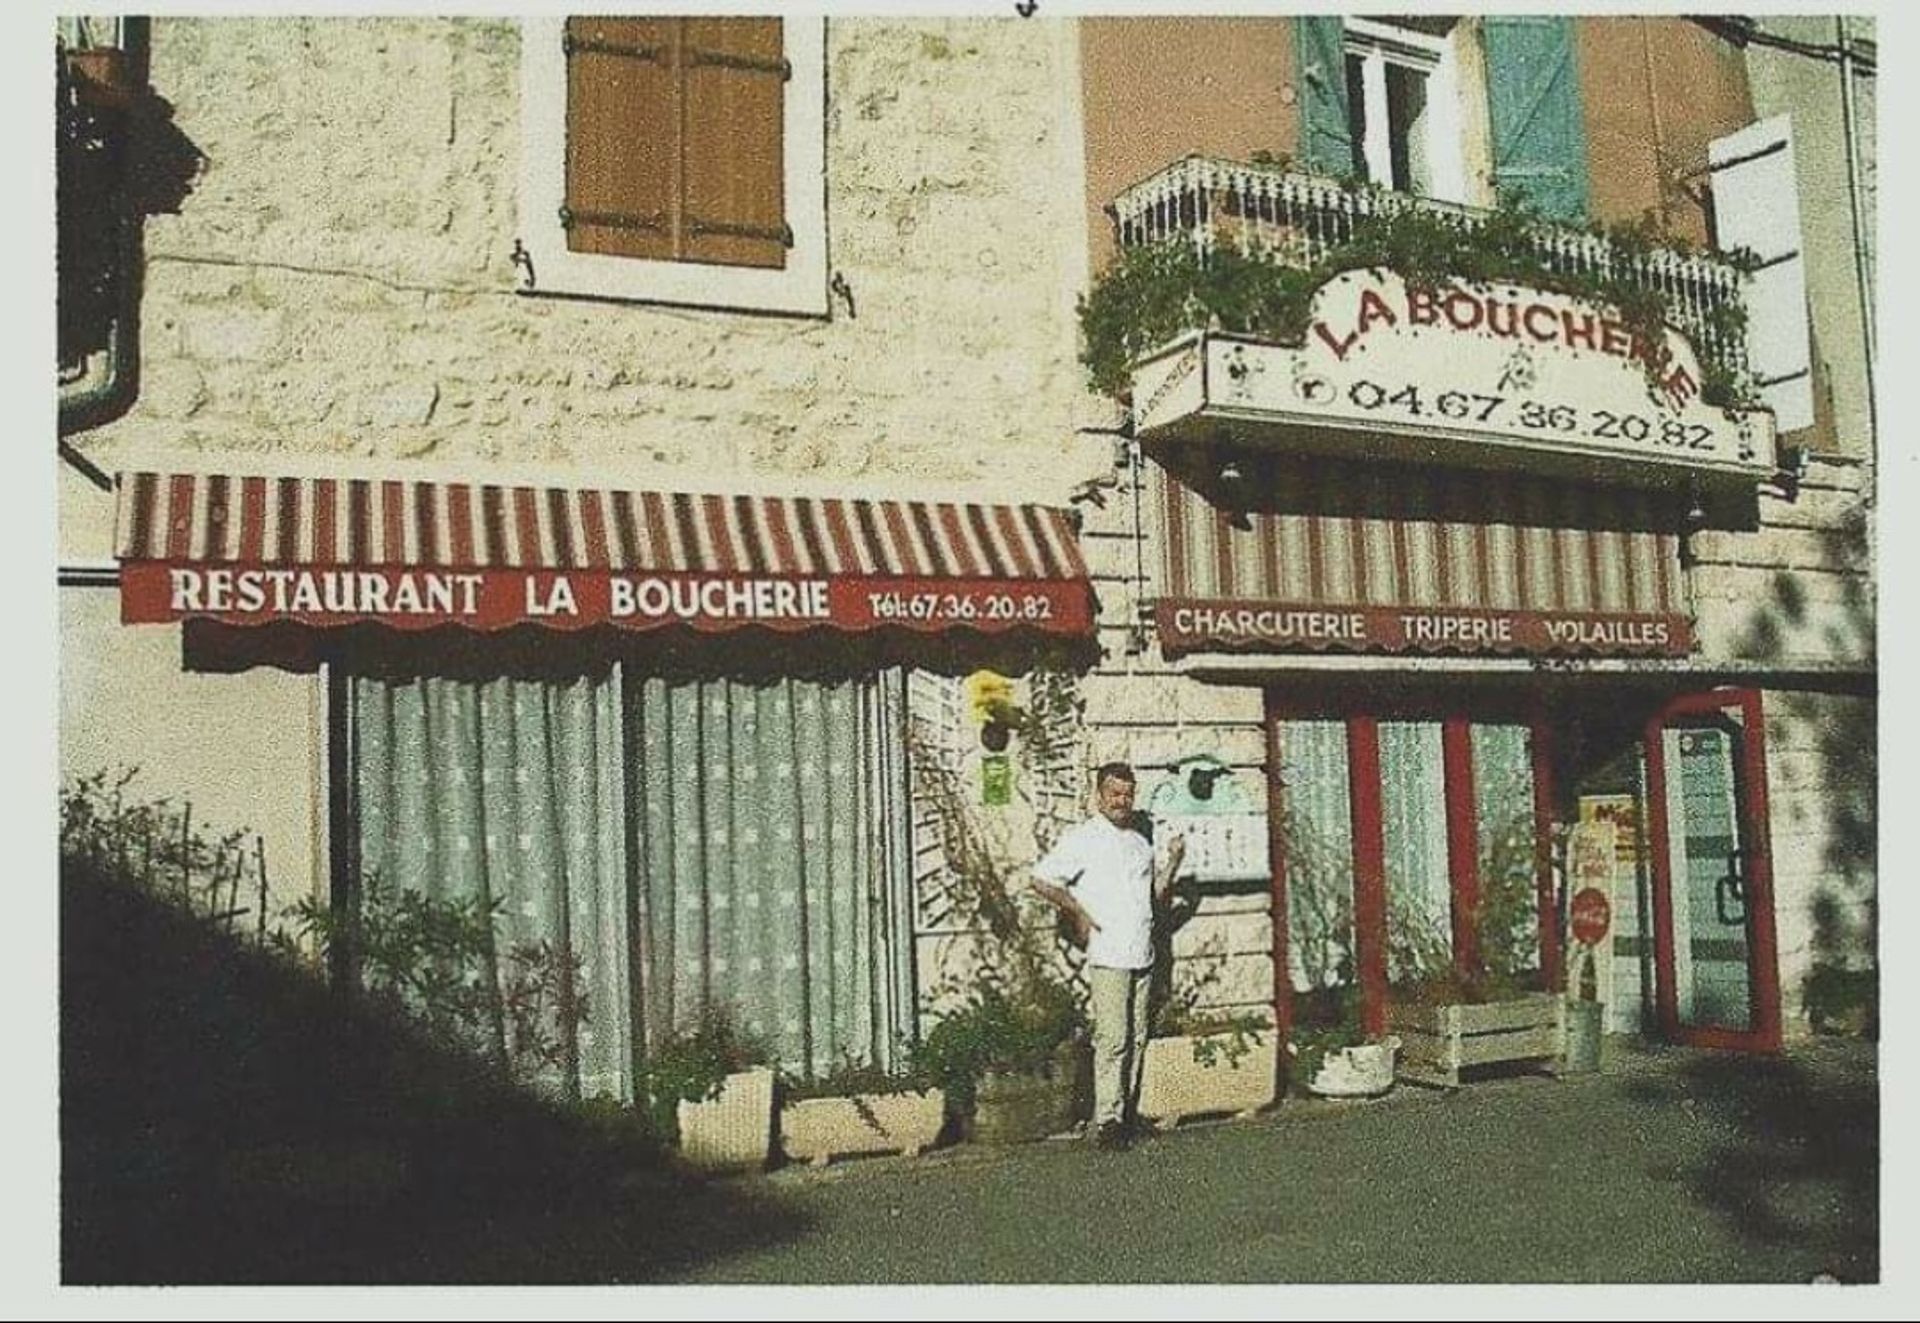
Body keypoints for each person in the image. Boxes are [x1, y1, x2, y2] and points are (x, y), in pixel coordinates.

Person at [1029, 762, 1185, 1151]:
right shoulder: (1085, 838)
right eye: (1114, 793)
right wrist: (1078, 911)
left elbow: (1155, 896)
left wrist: (1174, 861)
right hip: (1109, 953)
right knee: (1113, 1038)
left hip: (1142, 952)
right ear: (1099, 796)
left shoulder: (1139, 842)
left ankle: (1127, 1114)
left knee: (1137, 1035)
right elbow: (1041, 879)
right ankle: (1108, 1120)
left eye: (1127, 794)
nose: (1121, 801)